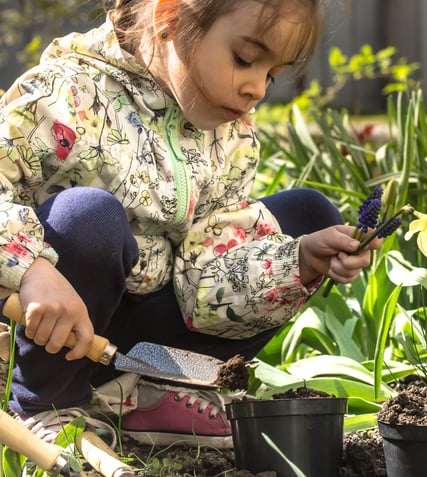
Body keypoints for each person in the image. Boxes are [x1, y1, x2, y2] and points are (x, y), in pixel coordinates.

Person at [0, 0, 380, 449]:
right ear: (169, 19)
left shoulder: (232, 138)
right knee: (90, 216)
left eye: (272, 74)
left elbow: (204, 278)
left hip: (140, 344)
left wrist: (295, 263)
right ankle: (45, 405)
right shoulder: (63, 95)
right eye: (244, 59)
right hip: (55, 326)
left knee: (308, 219)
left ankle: (139, 393)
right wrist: (31, 270)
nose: (257, 88)